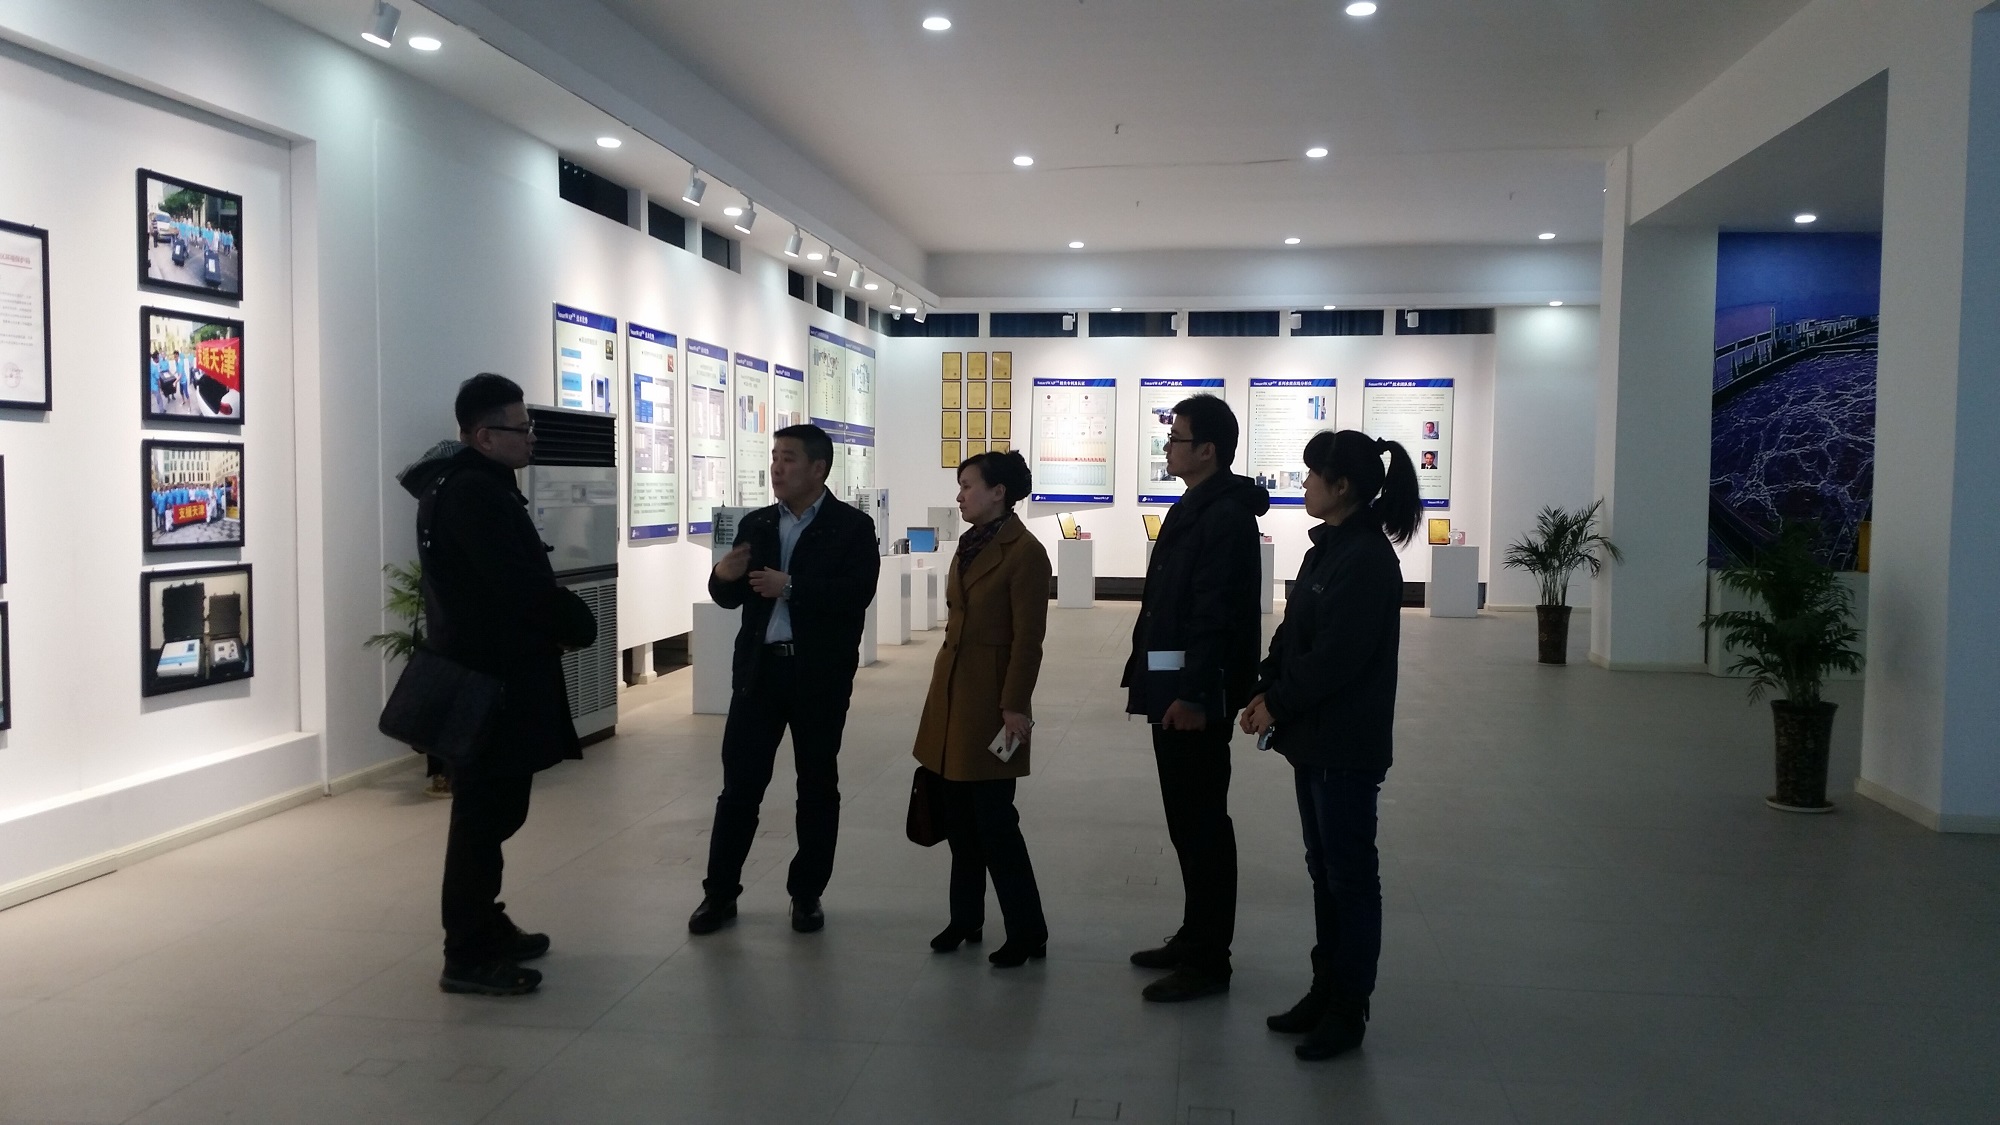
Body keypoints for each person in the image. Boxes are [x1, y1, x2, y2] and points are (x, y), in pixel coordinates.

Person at [396, 373, 595, 996]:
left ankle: (485, 923)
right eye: (521, 427)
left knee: (495, 810)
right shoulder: (472, 495)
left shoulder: (461, 485)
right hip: (489, 680)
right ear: (484, 436)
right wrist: (575, 621)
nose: (531, 437)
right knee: (483, 817)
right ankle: (467, 951)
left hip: (493, 672)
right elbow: (516, 586)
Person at [1241, 429, 1419, 1061]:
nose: (1305, 484)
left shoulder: (1366, 559)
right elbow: (1294, 634)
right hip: (1314, 741)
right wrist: (1266, 685)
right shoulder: (1330, 549)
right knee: (1325, 871)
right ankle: (1326, 989)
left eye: (1313, 475)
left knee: (1349, 877)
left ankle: (1348, 1007)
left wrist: (1279, 702)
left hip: (1345, 745)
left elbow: (1337, 657)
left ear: (1341, 487)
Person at [689, 424, 880, 936]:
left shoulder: (851, 527)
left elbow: (855, 594)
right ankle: (719, 894)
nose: (777, 467)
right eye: (774, 457)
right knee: (739, 788)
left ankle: (807, 894)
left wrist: (790, 586)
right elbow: (729, 596)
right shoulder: (757, 523)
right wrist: (722, 577)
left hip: (818, 676)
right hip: (760, 673)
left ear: (819, 468)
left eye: (789, 458)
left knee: (816, 787)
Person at [1121, 393, 1270, 1003]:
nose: (1168, 447)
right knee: (1185, 820)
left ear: (1207, 450)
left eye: (1176, 438)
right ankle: (1194, 935)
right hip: (1175, 689)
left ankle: (1210, 959)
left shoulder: (1224, 515)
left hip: (1195, 698)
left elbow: (1213, 614)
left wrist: (1195, 695)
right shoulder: (1196, 505)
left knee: (1203, 824)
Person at [911, 451, 1051, 967]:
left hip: (991, 704)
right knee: (959, 821)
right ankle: (965, 918)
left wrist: (1014, 706)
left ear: (999, 492)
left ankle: (1027, 930)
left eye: (968, 485)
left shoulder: (1025, 552)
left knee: (995, 823)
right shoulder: (969, 545)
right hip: (952, 698)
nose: (960, 495)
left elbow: (1028, 641)